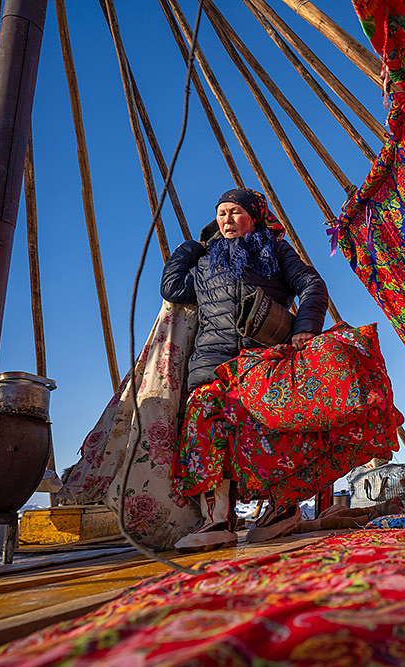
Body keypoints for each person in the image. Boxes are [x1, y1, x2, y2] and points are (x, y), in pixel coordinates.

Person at [161, 187, 329, 551]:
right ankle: (217, 520)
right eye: (221, 213)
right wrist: (189, 248)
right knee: (203, 423)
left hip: (263, 355)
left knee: (269, 426)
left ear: (253, 216)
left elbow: (312, 285)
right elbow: (172, 287)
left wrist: (304, 329)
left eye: (235, 212)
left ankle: (282, 509)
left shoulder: (274, 251)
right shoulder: (205, 263)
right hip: (211, 361)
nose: (227, 220)